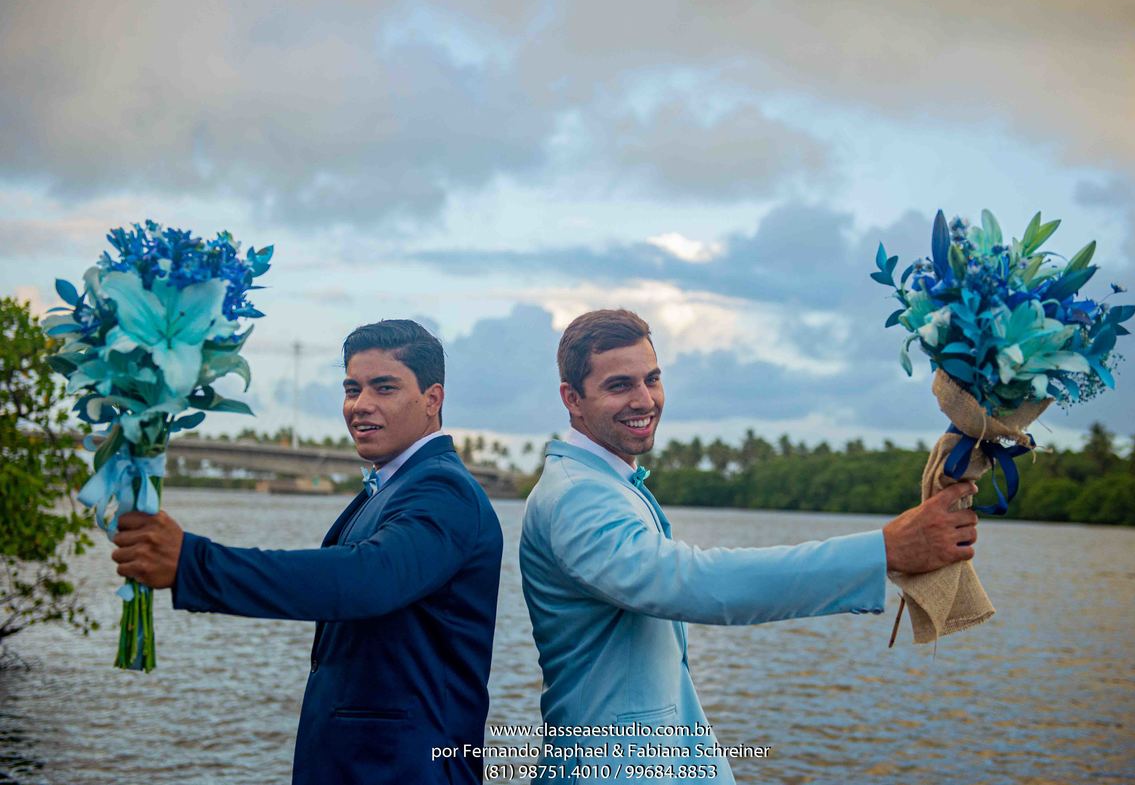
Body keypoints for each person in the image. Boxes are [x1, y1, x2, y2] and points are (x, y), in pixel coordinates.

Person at [520, 309, 979, 784]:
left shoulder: (602, 481)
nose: (645, 400)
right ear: (571, 399)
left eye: (652, 379)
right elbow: (693, 582)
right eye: (619, 386)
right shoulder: (578, 496)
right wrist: (883, 550)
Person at [111, 319, 503, 785]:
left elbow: (365, 579)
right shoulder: (394, 487)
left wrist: (192, 564)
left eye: (384, 387)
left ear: (432, 399)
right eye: (352, 388)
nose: (361, 405)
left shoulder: (443, 490)